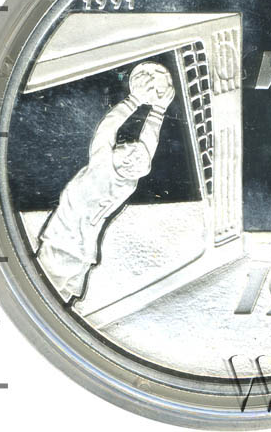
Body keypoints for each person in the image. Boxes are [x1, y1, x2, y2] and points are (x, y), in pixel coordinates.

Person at [36, 62, 175, 303]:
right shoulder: (126, 184)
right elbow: (146, 149)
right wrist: (157, 111)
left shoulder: (103, 167)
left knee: (42, 297)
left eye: (126, 147)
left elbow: (107, 128)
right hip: (82, 252)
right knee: (58, 301)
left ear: (126, 162)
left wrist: (134, 100)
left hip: (62, 245)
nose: (126, 144)